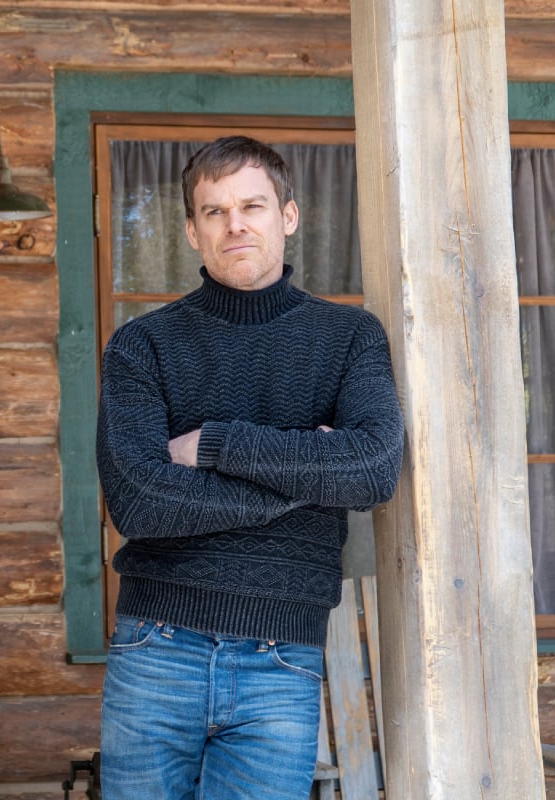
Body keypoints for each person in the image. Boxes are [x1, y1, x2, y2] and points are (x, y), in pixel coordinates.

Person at [95, 135, 404, 799]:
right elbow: (141, 502)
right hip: (157, 649)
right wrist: (307, 484)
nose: (235, 224)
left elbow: (374, 468)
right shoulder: (142, 346)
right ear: (191, 230)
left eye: (252, 206)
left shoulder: (350, 338)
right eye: (214, 211)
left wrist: (214, 444)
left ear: (287, 215)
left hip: (280, 659)